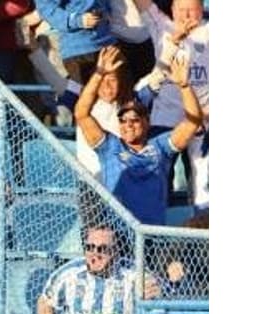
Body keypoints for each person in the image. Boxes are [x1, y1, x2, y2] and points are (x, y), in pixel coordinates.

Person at [74, 48, 201, 226]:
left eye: (135, 120)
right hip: (117, 238)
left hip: (153, 237)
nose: (128, 125)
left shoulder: (161, 147)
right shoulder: (110, 147)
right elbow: (81, 114)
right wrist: (99, 73)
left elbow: (192, 122)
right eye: (123, 120)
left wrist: (185, 87)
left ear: (147, 122)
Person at [133, 0, 208, 211]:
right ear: (172, 9)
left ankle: (202, 230)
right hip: (165, 117)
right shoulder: (161, 25)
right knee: (158, 176)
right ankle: (158, 230)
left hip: (204, 118)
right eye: (181, 9)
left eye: (192, 8)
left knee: (203, 179)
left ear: (202, 9)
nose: (186, 14)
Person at [35, 1, 116, 85]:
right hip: (78, 52)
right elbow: (45, 7)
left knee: (120, 94)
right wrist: (77, 20)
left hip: (109, 45)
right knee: (84, 95)